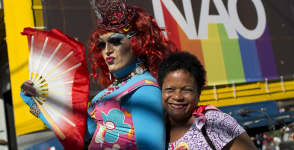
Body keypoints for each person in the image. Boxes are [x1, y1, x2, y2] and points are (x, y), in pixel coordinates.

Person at [21, 0, 177, 149]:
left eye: (115, 41)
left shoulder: (145, 91)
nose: (107, 50)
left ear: (139, 43)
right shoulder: (112, 90)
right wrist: (34, 104)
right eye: (102, 44)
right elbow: (79, 134)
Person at [157, 52, 257, 150]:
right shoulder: (156, 129)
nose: (178, 97)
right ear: (161, 91)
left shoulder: (215, 122)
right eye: (170, 89)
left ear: (198, 93)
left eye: (187, 90)